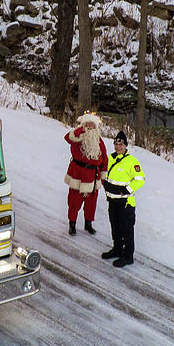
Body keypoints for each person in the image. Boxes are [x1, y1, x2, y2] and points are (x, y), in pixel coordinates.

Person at [102, 130, 146, 267]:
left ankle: (128, 256)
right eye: (116, 144)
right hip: (112, 201)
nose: (118, 147)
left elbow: (140, 180)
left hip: (125, 203)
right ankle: (117, 249)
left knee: (126, 229)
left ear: (126, 146)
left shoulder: (132, 162)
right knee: (115, 227)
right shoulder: (111, 158)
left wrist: (125, 190)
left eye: (121, 145)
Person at [64, 113, 108, 236]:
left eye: (92, 125)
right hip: (78, 174)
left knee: (91, 203)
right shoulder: (77, 138)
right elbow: (68, 138)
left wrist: (103, 176)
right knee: (74, 202)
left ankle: (88, 224)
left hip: (93, 176)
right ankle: (72, 223)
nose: (90, 127)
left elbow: (104, 158)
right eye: (87, 124)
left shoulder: (99, 141)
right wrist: (80, 130)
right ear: (83, 125)